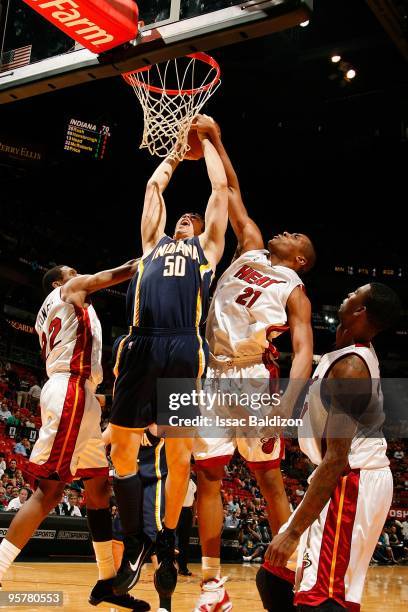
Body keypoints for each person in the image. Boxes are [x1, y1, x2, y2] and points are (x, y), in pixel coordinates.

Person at [191, 115, 315, 611]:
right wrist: (215, 138)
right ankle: (212, 583)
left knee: (267, 479)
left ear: (301, 258)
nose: (283, 231)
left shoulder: (295, 289)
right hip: (211, 373)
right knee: (209, 476)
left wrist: (287, 405)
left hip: (251, 378)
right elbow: (233, 190)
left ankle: (288, 567)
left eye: (295, 235)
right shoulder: (250, 249)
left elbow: (303, 350)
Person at [108, 126, 228, 599]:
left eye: (193, 218)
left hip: (181, 347)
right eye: (183, 216)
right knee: (121, 449)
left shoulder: (207, 252)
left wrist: (212, 144)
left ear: (199, 231)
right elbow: (153, 187)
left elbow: (219, 190)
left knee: (179, 456)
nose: (187, 218)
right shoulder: (151, 244)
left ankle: (168, 538)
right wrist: (178, 153)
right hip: (140, 344)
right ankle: (136, 540)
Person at [0, 261, 149, 611]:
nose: (77, 272)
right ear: (57, 282)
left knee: (98, 489)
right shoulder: (67, 290)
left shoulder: (58, 308)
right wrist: (150, 260)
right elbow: (111, 275)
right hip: (70, 391)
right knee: (49, 491)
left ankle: (107, 583)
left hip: (80, 395)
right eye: (70, 270)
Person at [258, 283, 401, 611]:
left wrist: (294, 531)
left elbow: (337, 458)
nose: (346, 295)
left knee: (324, 599)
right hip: (336, 476)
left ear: (361, 311)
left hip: (349, 481)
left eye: (353, 294)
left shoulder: (351, 368)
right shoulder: (343, 351)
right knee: (275, 576)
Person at [176, 475, 196, 576]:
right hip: (177, 510)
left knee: (184, 542)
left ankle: (183, 568)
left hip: (188, 512)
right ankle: (169, 565)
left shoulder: (193, 482)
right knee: (172, 540)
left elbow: (195, 501)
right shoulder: (178, 479)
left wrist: (194, 516)